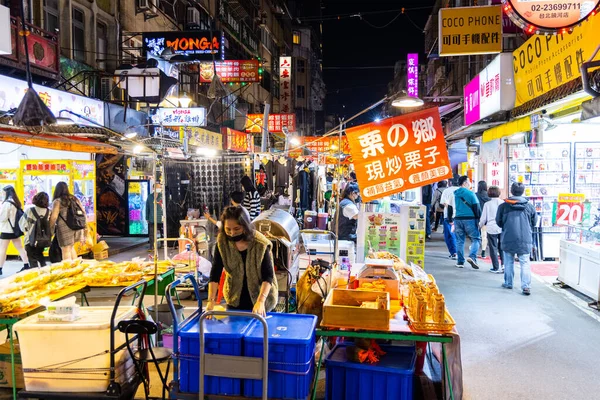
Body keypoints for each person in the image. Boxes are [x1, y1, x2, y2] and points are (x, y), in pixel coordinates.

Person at [206, 206, 278, 316]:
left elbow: (268, 276)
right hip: (234, 300)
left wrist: (260, 301)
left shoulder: (261, 244)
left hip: (262, 301)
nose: (232, 233)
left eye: (236, 229)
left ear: (245, 226)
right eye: (228, 229)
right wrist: (210, 301)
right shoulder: (222, 242)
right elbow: (215, 273)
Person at [496, 182, 536, 296]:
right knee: (525, 262)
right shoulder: (529, 206)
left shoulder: (503, 206)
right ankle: (526, 286)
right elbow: (534, 222)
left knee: (508, 261)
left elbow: (498, 221)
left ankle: (508, 282)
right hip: (525, 238)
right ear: (522, 191)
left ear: (511, 191)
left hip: (508, 236)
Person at [448, 176, 481, 269]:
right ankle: (472, 256)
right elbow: (477, 208)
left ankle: (460, 262)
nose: (470, 183)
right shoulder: (471, 194)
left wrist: (450, 220)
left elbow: (449, 208)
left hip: (457, 219)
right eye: (469, 181)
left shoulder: (453, 194)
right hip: (470, 219)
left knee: (459, 241)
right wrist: (479, 220)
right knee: (476, 239)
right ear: (465, 183)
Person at [49, 182, 88, 260]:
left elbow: (54, 217)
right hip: (77, 226)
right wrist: (85, 228)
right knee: (71, 247)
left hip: (65, 228)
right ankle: (76, 268)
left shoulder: (58, 201)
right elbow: (83, 212)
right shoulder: (74, 198)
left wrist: (50, 229)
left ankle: (68, 269)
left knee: (65, 250)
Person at [0, 186, 29, 274]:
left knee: (2, 249)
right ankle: (26, 265)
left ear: (7, 192)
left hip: (6, 230)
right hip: (15, 230)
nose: (2, 193)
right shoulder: (16, 202)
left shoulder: (6, 203)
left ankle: (0, 268)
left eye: (3, 192)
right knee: (20, 248)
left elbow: (3, 218)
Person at [19, 192, 50, 270]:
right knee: (40, 257)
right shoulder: (49, 212)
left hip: (30, 240)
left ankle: (35, 276)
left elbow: (23, 225)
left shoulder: (30, 210)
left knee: (32, 261)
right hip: (43, 241)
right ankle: (46, 274)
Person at [479, 186, 504, 273]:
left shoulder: (487, 204)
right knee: (502, 247)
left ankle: (496, 267)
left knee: (493, 248)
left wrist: (480, 225)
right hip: (502, 227)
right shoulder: (503, 203)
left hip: (491, 228)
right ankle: (504, 265)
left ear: (489, 193)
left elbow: (483, 218)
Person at [440, 179, 458, 259]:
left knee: (449, 235)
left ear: (450, 183)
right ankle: (458, 253)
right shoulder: (464, 191)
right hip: (460, 215)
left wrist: (451, 209)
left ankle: (454, 252)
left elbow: (444, 203)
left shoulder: (446, 191)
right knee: (459, 235)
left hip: (448, 215)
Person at [146, 183, 164, 252]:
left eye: (160, 187)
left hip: (160, 218)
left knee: (162, 232)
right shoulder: (150, 197)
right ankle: (152, 246)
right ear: (153, 188)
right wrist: (147, 217)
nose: (159, 188)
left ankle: (162, 244)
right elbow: (147, 208)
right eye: (157, 187)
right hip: (152, 218)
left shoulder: (162, 196)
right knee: (151, 234)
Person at [476, 181, 491, 258]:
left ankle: (474, 248)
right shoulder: (489, 196)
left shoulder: (475, 195)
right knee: (484, 235)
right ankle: (483, 252)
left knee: (476, 235)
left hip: (477, 217)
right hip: (487, 217)